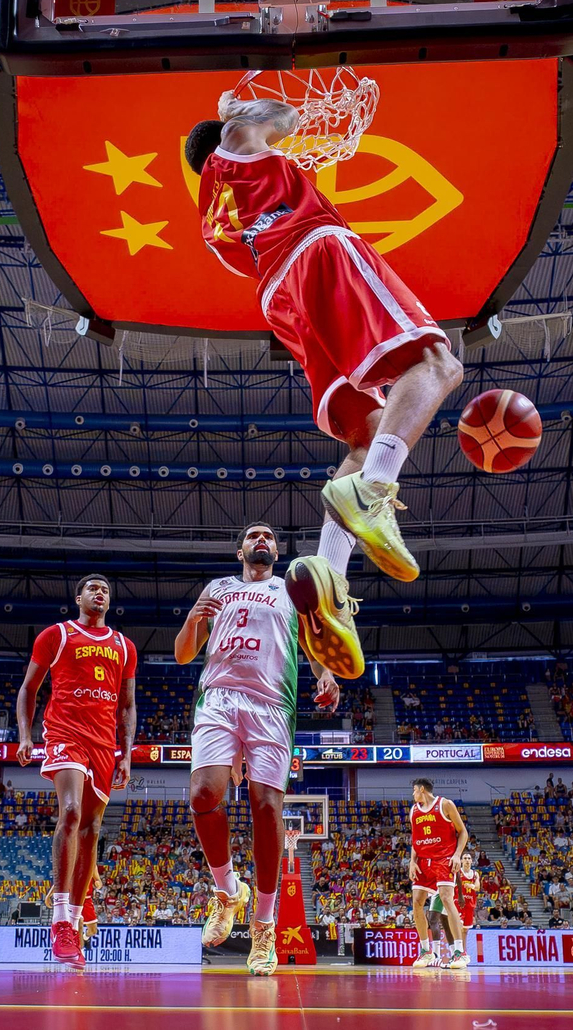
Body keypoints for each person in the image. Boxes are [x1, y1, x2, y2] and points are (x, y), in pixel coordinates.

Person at [185, 94, 465, 678]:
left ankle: (329, 583)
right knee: (439, 363)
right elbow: (277, 119)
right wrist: (246, 108)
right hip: (318, 252)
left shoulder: (214, 220)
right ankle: (370, 496)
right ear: (224, 137)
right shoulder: (232, 149)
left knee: (364, 438)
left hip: (280, 299)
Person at [174, 522, 342, 975]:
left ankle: (264, 925)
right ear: (240, 550)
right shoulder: (218, 588)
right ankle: (228, 889)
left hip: (272, 704)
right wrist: (192, 620)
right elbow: (184, 654)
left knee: (266, 809)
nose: (262, 539)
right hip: (219, 697)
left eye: (269, 536)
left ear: (277, 551)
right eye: (253, 535)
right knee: (203, 796)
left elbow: (313, 644)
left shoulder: (291, 590)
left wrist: (325, 675)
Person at [16, 574, 137, 969]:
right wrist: (25, 734)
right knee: (69, 812)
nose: (100, 592)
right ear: (78, 597)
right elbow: (29, 688)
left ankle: (80, 902)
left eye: (106, 588)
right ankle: (61, 920)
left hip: (104, 744)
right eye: (92, 588)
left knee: (92, 829)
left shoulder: (124, 646)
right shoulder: (57, 634)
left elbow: (127, 706)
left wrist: (126, 754)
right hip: (66, 733)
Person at [408, 778, 470, 970]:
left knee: (445, 898)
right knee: (417, 902)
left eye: (414, 791)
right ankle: (426, 951)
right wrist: (412, 861)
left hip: (444, 859)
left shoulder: (445, 804)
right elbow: (415, 839)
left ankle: (459, 952)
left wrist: (458, 855)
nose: (413, 795)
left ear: (422, 790)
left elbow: (463, 832)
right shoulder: (414, 811)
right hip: (423, 861)